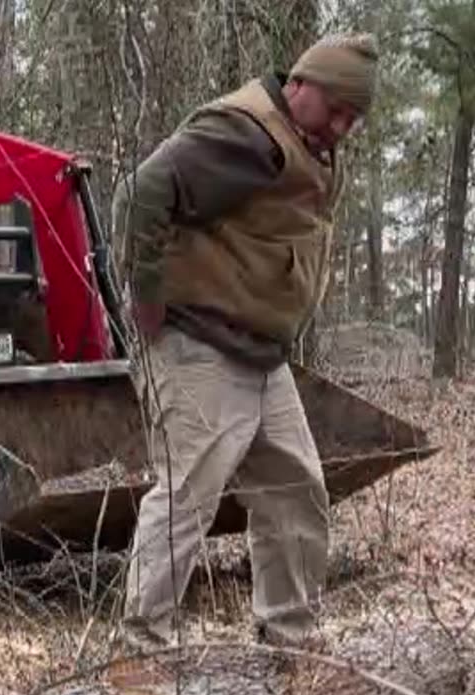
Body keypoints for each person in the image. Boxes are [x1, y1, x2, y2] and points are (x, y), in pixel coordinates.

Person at [109, 31, 379, 653]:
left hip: (259, 354)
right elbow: (142, 193)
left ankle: (288, 644)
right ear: (301, 84)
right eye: (335, 109)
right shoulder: (245, 135)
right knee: (189, 496)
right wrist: (146, 295)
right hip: (199, 341)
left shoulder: (305, 144)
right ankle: (141, 654)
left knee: (295, 491)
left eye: (353, 118)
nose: (341, 127)